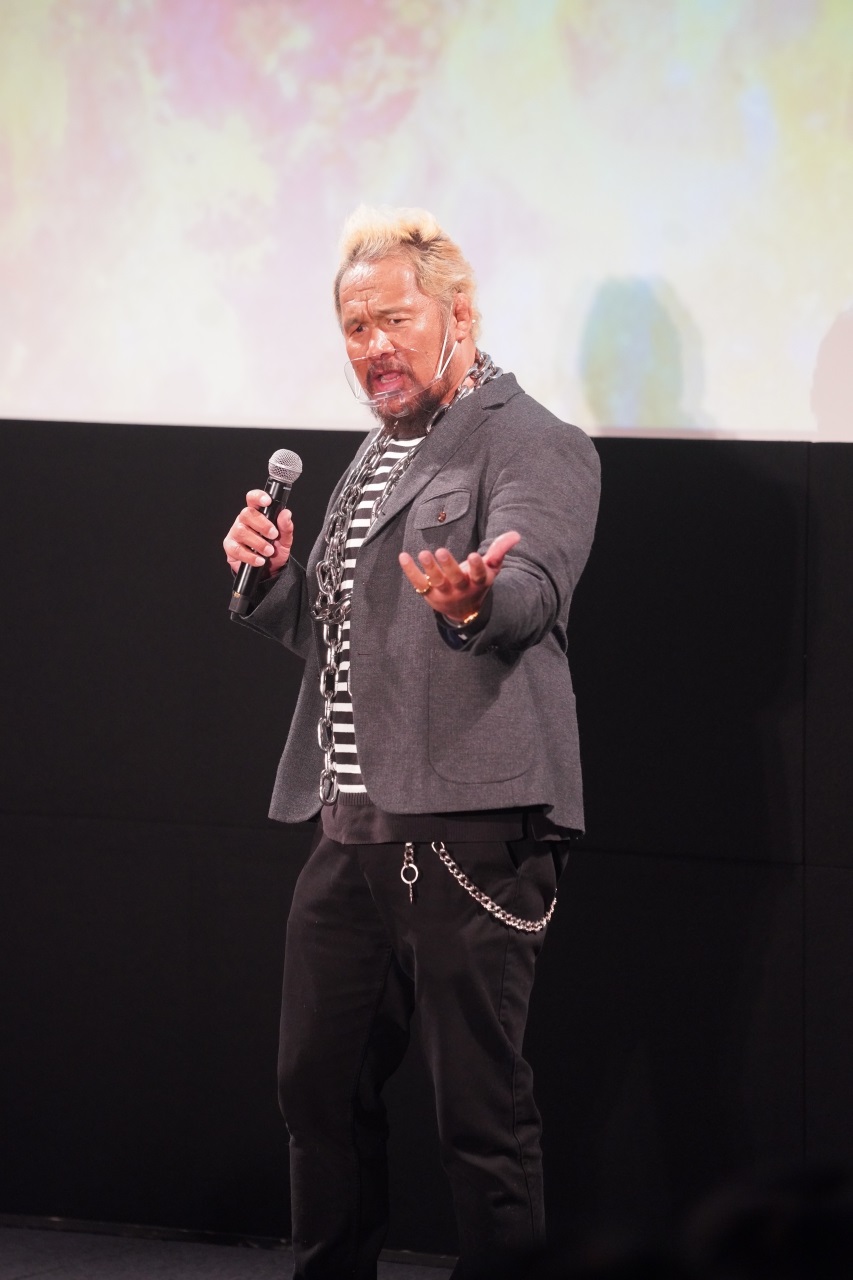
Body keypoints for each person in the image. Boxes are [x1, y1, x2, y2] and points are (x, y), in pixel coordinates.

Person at [223, 206, 601, 1280]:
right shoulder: (382, 449)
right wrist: (272, 580)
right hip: (350, 824)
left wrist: (477, 601)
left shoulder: (533, 442)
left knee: (479, 1112)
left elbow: (529, 589)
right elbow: (355, 639)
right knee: (316, 1089)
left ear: (458, 315)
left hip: (469, 828)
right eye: (355, 327)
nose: (372, 346)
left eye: (394, 319)